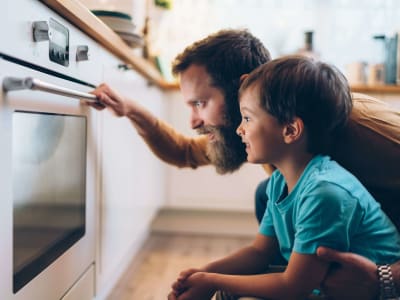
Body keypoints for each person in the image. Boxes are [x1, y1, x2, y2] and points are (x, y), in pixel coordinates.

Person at [88, 29, 400, 299]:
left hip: (384, 252)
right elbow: (183, 152)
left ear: (242, 86)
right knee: (268, 194)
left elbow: (294, 284)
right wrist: (129, 109)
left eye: (201, 103)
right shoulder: (268, 135)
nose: (194, 121)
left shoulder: (362, 130)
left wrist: (385, 278)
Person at [167, 56, 400, 300]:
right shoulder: (280, 181)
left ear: (290, 130)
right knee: (228, 291)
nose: (239, 129)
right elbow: (260, 252)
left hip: (375, 292)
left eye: (247, 118)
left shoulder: (324, 193)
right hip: (320, 283)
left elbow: (293, 286)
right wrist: (203, 274)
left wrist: (212, 281)